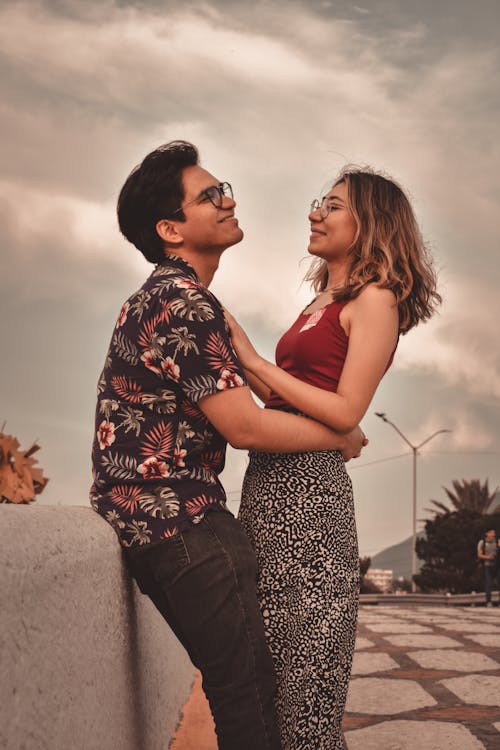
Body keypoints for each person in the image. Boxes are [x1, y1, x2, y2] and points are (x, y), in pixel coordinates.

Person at [89, 141, 366, 750]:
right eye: (209, 196)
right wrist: (340, 433)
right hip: (184, 521)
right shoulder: (185, 303)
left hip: (152, 520)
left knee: (239, 688)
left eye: (225, 188)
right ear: (171, 229)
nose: (228, 200)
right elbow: (245, 428)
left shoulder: (161, 297)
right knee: (250, 696)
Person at [226, 166, 441, 750]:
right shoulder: (323, 298)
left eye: (334, 205)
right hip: (269, 491)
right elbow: (290, 400)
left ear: (370, 223)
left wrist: (253, 359)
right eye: (319, 201)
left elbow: (346, 411)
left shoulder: (377, 299)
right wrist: (235, 351)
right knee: (271, 694)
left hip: (311, 506)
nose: (316, 212)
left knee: (307, 705)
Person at [477, 529, 500, 607]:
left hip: (497, 565)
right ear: (487, 533)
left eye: (494, 533)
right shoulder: (482, 542)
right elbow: (479, 555)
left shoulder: (497, 542)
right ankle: (488, 601)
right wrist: (488, 557)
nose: (493, 534)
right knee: (489, 583)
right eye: (491, 533)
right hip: (487, 565)